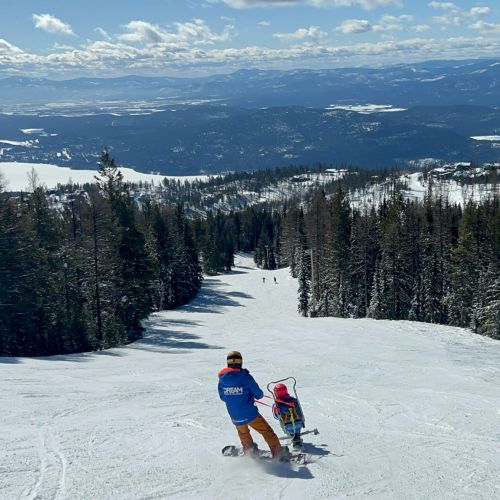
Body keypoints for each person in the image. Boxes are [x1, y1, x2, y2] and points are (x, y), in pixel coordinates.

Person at [218, 351, 283, 459]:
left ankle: (249, 451)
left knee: (243, 433)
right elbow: (258, 394)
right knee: (267, 431)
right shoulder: (245, 377)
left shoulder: (222, 380)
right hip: (250, 414)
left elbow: (223, 397)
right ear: (240, 363)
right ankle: (278, 454)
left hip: (235, 416)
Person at [272, 383, 305, 449]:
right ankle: (297, 435)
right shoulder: (294, 400)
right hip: (299, 423)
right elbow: (300, 412)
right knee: (297, 424)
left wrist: (276, 411)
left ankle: (292, 435)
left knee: (282, 421)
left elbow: (276, 417)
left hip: (287, 426)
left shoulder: (276, 405)